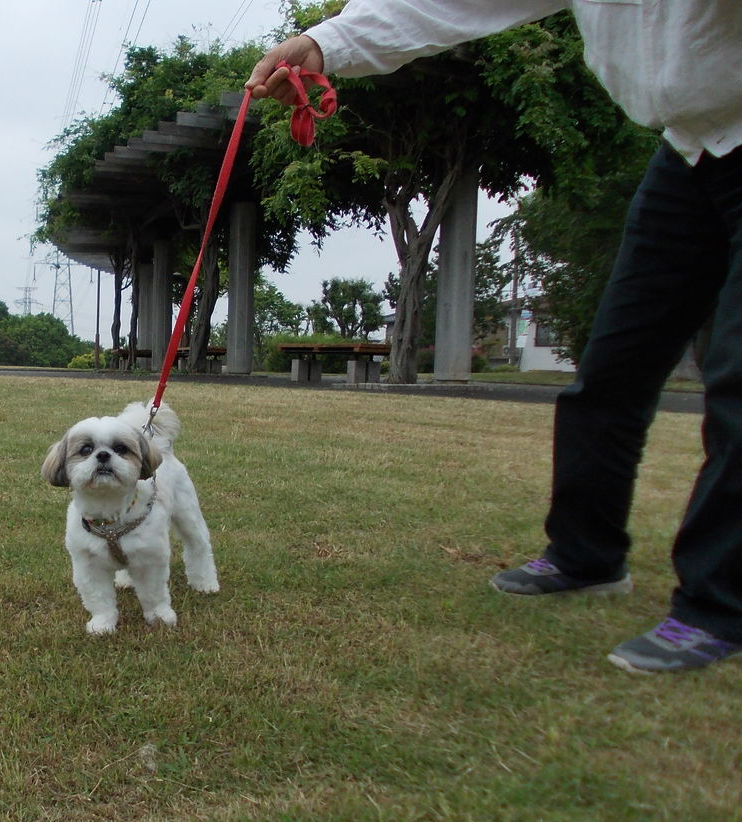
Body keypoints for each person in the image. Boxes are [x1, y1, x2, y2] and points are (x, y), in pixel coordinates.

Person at [247, 1, 742, 675]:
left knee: (736, 382)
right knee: (612, 369)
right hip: (688, 147)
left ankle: (720, 604)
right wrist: (326, 41)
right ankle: (585, 555)